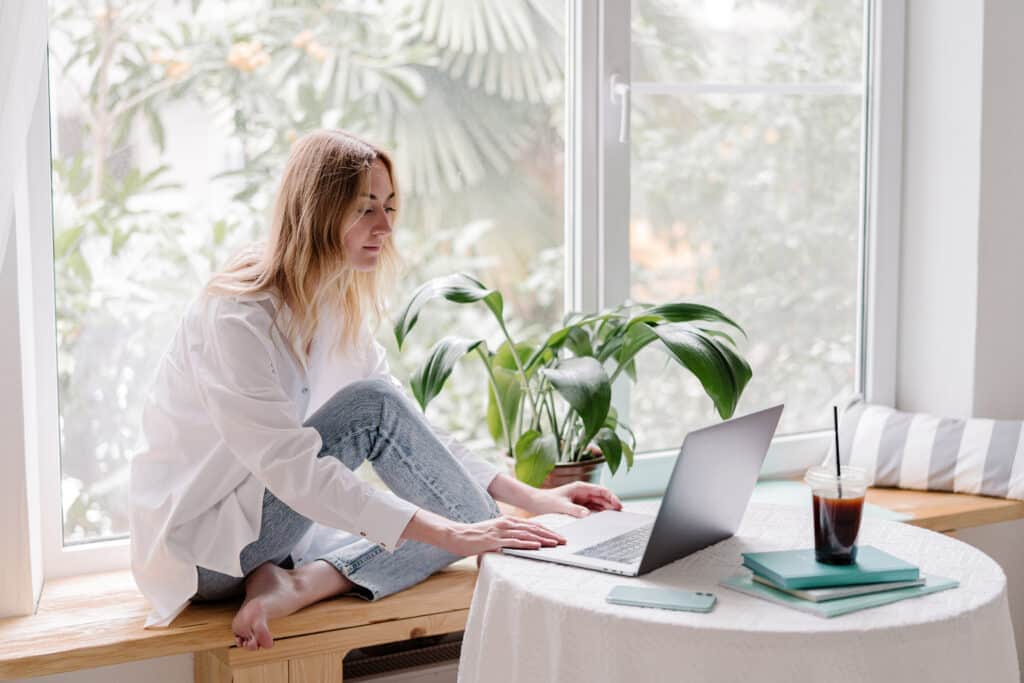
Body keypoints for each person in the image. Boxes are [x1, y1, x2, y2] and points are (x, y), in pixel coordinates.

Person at [129, 129, 623, 651]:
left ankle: (308, 580)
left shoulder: (332, 299)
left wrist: (531, 497)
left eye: (389, 207)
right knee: (430, 484)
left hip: (270, 535)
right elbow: (293, 468)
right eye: (366, 209)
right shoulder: (237, 314)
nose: (385, 226)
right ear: (319, 211)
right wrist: (459, 531)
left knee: (450, 502)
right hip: (205, 551)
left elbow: (412, 430)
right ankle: (316, 573)